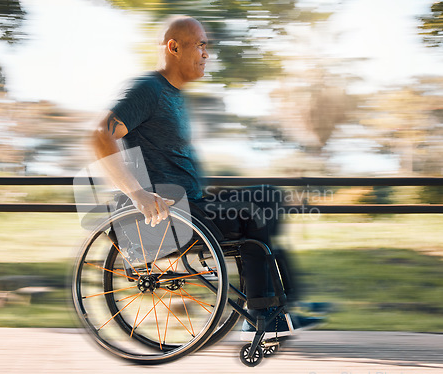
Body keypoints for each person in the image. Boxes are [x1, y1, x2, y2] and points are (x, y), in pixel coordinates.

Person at [92, 15, 321, 338]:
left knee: (269, 196)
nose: (206, 53)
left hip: (193, 204)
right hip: (174, 213)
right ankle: (264, 312)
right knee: (253, 213)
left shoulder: (172, 95)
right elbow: (102, 134)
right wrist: (137, 194)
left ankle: (281, 305)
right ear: (173, 47)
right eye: (199, 45)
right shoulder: (149, 90)